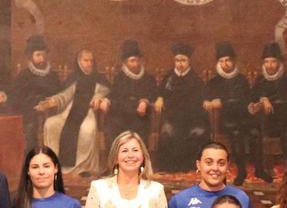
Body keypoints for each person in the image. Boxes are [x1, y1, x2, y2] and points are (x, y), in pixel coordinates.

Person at [40, 48, 110, 177]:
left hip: (88, 114)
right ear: (78, 62)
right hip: (68, 113)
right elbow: (65, 95)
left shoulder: (99, 79)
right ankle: (54, 164)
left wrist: (99, 99)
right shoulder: (73, 78)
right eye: (85, 60)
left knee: (87, 130)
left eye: (91, 61)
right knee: (50, 124)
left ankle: (84, 168)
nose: (89, 63)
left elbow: (104, 92)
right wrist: (54, 101)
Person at [204, 41, 259, 184]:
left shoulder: (241, 80)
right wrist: (209, 103)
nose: (225, 64)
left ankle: (260, 169)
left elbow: (245, 101)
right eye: (222, 61)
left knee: (254, 132)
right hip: (226, 120)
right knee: (236, 133)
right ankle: (241, 171)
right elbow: (206, 100)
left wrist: (223, 102)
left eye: (228, 60)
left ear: (233, 61)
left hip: (244, 117)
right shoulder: (213, 82)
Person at [155, 42, 210, 172]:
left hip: (192, 118)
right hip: (172, 117)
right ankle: (169, 167)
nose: (180, 64)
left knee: (198, 133)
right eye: (177, 60)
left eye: (183, 60)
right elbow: (160, 92)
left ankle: (188, 166)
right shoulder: (168, 78)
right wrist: (160, 98)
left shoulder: (196, 79)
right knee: (167, 132)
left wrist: (207, 100)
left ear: (189, 62)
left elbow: (205, 96)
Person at [0, 34, 62, 145]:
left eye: (43, 55)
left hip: (51, 111)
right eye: (38, 55)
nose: (42, 59)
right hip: (29, 112)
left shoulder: (53, 76)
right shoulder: (24, 75)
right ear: (31, 57)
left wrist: (49, 103)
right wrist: (6, 97)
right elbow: (15, 95)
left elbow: (60, 94)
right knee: (30, 127)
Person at [104, 40, 158, 141]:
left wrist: (145, 102)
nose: (136, 64)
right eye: (132, 61)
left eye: (137, 61)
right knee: (113, 128)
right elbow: (114, 95)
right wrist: (107, 100)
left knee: (140, 132)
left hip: (140, 118)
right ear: (125, 62)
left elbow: (153, 95)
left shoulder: (148, 78)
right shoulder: (119, 78)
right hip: (120, 118)